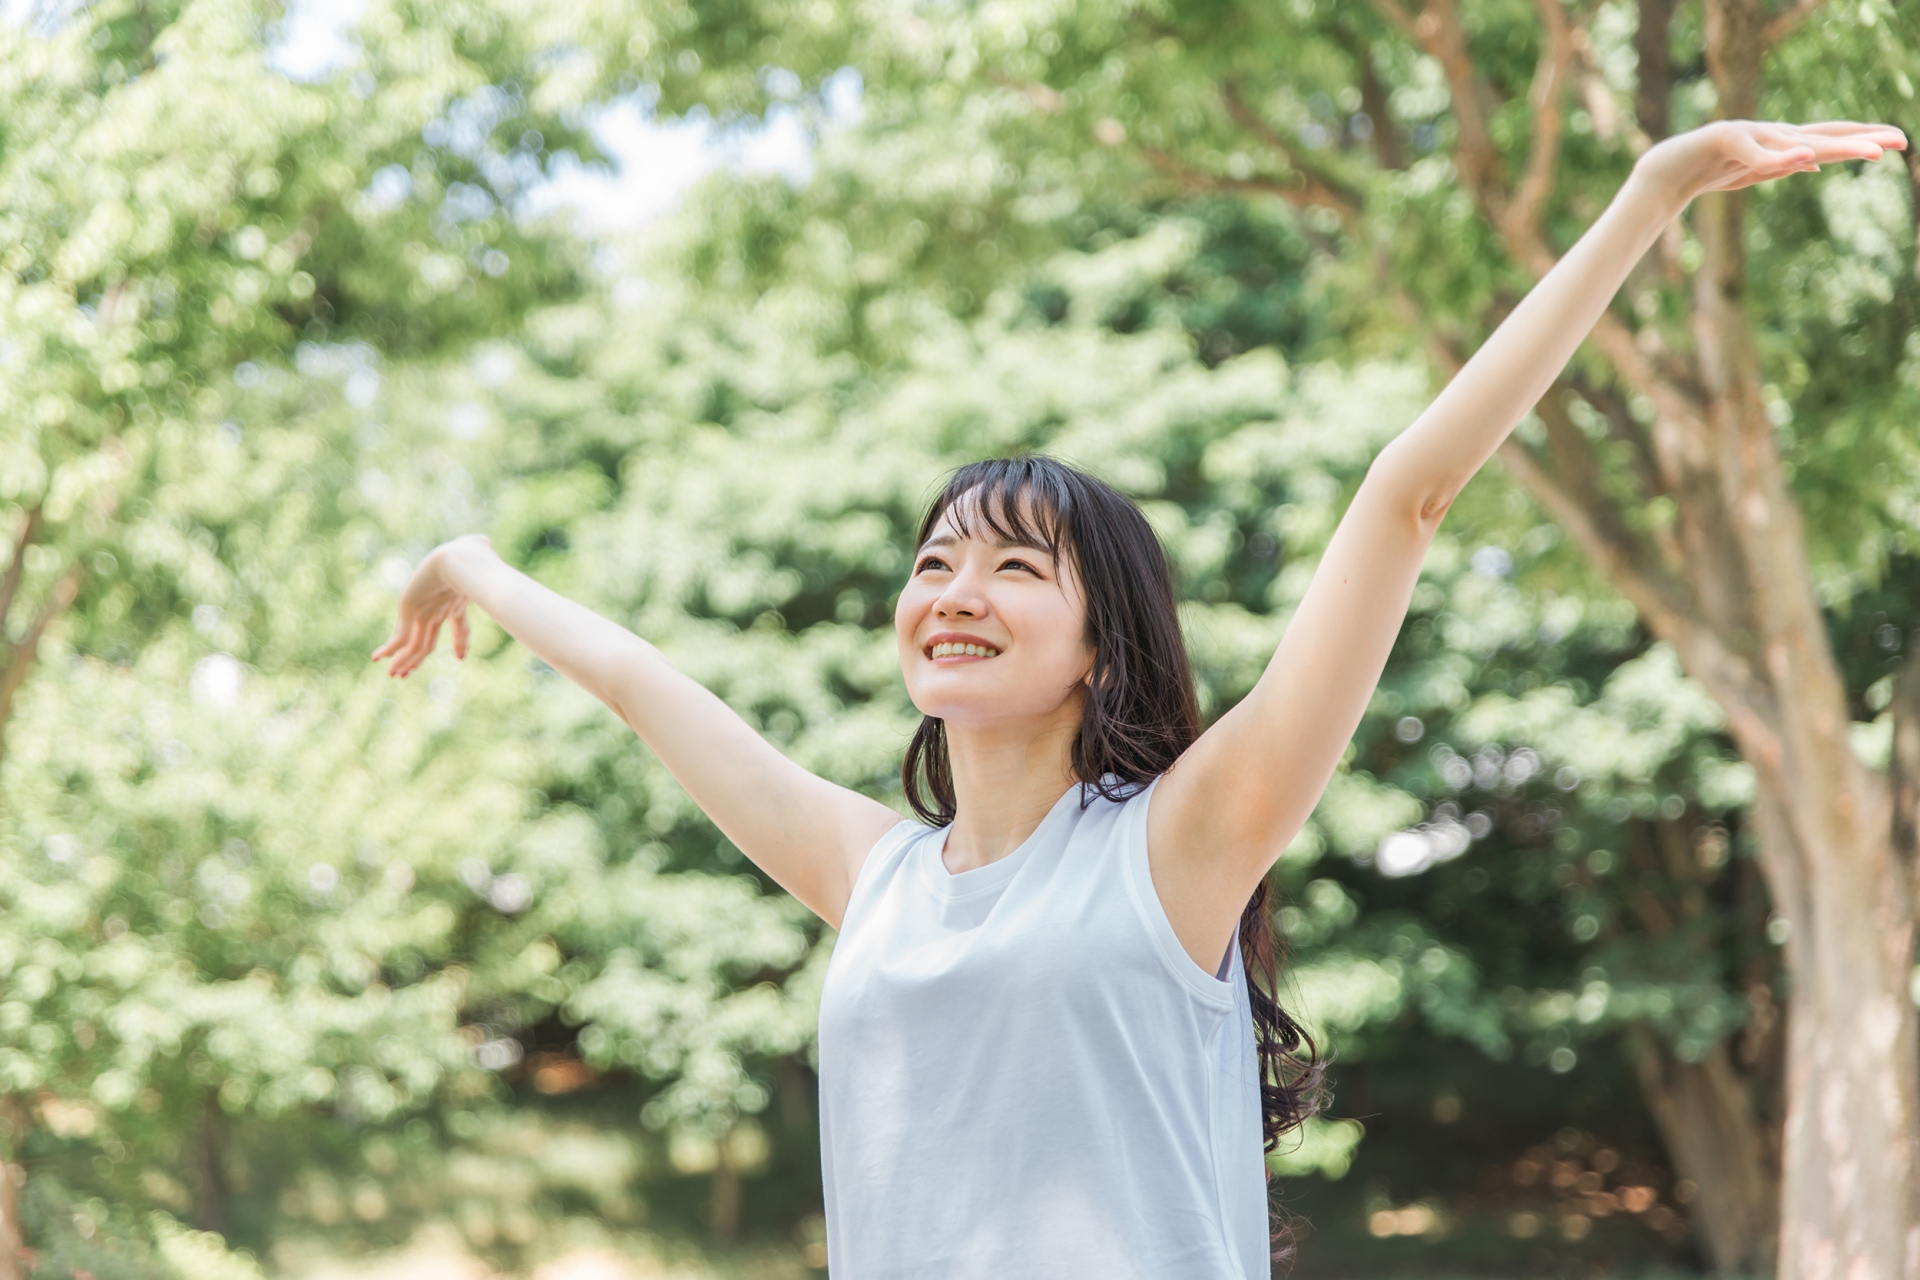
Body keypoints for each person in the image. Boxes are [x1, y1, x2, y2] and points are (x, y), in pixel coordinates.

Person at [373, 118, 1903, 1278]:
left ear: (1103, 646)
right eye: (934, 562)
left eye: (1015, 569)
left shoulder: (1180, 844)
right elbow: (648, 687)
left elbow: (1408, 496)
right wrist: (476, 564)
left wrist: (1653, 191)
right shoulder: (876, 875)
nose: (954, 591)